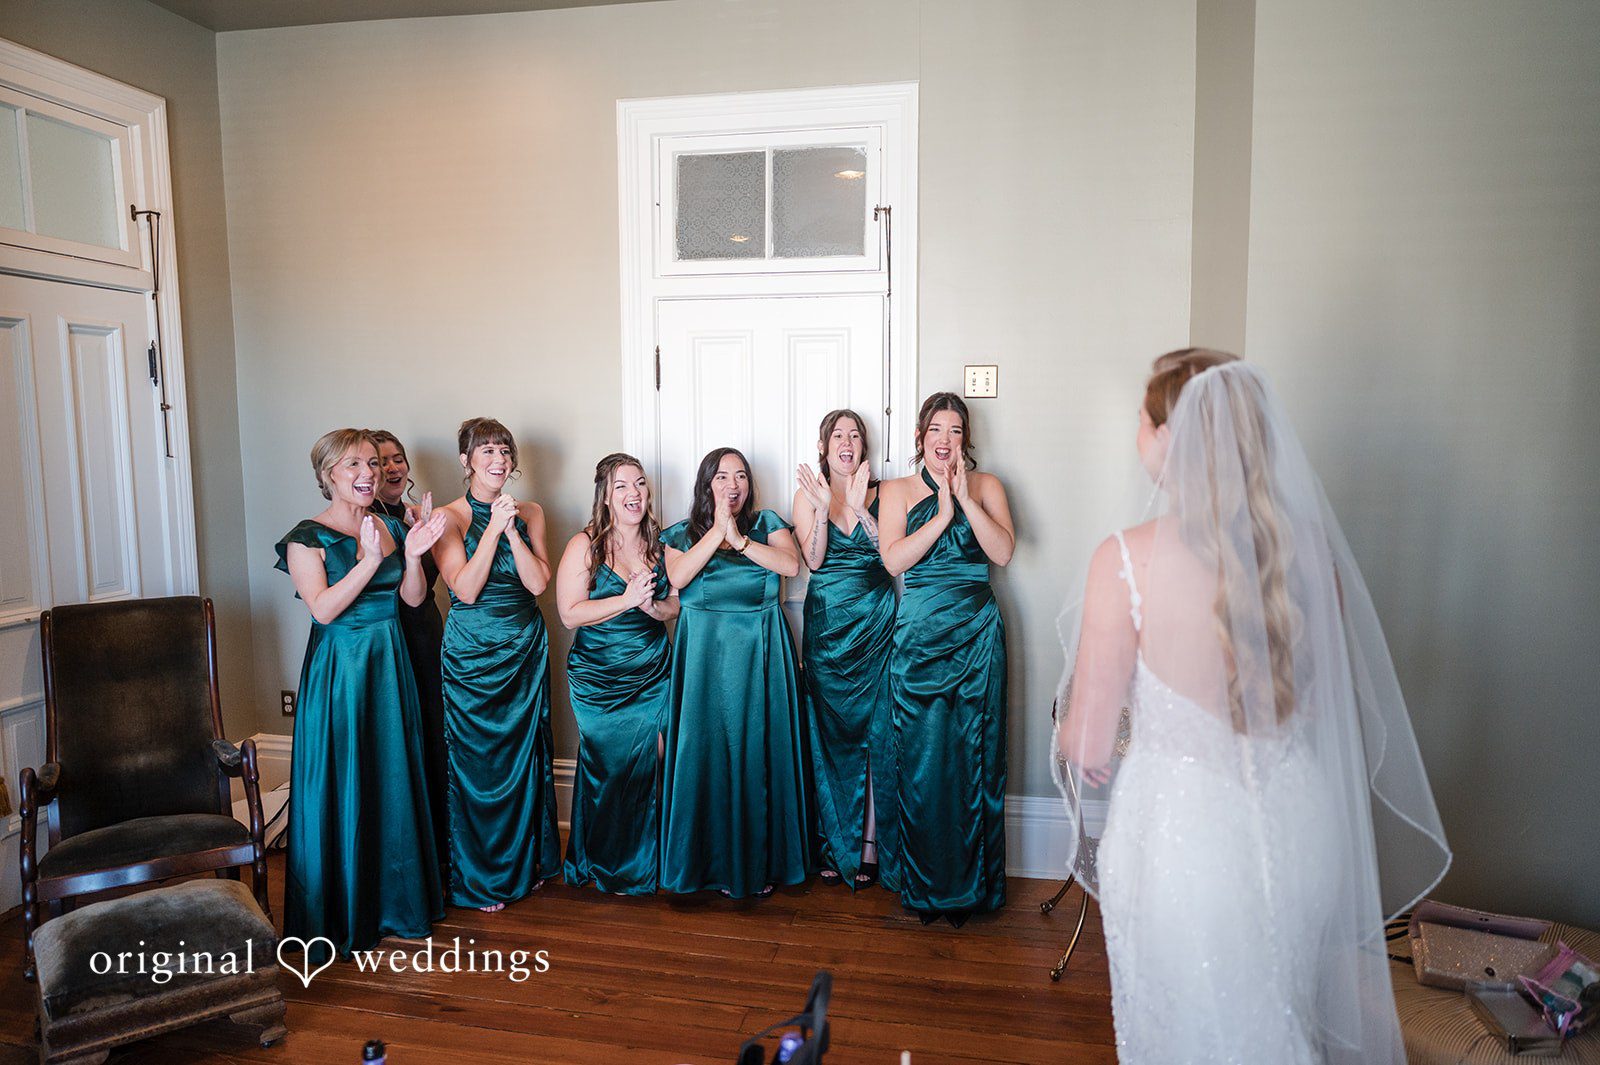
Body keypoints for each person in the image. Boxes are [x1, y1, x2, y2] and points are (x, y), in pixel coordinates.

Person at [1054, 352, 1450, 1064]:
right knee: (1278, 1018)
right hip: (1300, 828)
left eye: (1141, 422)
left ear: (1167, 436)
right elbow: (1323, 711)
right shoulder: (1308, 552)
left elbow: (1086, 747)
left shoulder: (1125, 558)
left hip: (1185, 845)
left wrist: (1073, 726)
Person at [275, 428, 448, 960]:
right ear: (329, 476)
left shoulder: (388, 525)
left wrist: (414, 556)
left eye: (372, 463)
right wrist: (371, 561)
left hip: (389, 659)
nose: (369, 473)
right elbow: (323, 609)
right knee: (347, 780)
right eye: (353, 465)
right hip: (343, 672)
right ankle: (345, 915)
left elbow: (412, 601)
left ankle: (393, 907)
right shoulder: (307, 537)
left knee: (390, 779)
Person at [878, 393, 1014, 926]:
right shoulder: (895, 491)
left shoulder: (989, 485)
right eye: (937, 429)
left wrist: (966, 500)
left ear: (966, 441)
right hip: (918, 638)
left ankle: (975, 890)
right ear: (920, 438)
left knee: (975, 759)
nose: (945, 440)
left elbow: (1002, 553)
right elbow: (893, 560)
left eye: (956, 431)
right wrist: (942, 514)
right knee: (922, 761)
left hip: (978, 635)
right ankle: (926, 887)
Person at [660, 448, 810, 898]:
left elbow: (790, 566)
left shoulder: (768, 523)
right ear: (707, 483)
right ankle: (705, 865)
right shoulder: (680, 534)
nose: (732, 484)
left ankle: (761, 864)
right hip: (704, 657)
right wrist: (717, 533)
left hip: (763, 651)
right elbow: (681, 578)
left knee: (761, 752)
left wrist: (740, 540)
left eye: (740, 476)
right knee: (704, 755)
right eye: (722, 476)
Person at [433, 417, 560, 912]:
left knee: (526, 758)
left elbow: (537, 584)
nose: (499, 459)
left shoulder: (531, 512)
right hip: (473, 654)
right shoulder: (448, 517)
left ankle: (527, 866)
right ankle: (481, 878)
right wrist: (492, 528)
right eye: (486, 451)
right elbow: (463, 588)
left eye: (504, 450)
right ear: (465, 461)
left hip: (524, 647)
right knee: (479, 764)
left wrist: (513, 531)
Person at [555, 453, 679, 895]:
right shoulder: (584, 545)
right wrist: (626, 600)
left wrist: (651, 607)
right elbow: (570, 613)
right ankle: (603, 861)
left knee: (658, 755)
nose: (634, 493)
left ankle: (653, 859)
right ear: (606, 496)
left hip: (653, 669)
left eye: (640, 484)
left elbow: (674, 607)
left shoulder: (661, 543)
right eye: (622, 486)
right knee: (610, 766)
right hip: (598, 679)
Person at [791, 410, 897, 890]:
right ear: (824, 444)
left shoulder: (885, 493)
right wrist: (820, 509)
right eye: (839, 435)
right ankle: (834, 843)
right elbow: (812, 560)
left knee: (877, 732)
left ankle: (870, 845)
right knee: (830, 734)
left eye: (856, 435)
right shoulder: (806, 494)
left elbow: (891, 558)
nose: (848, 443)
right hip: (827, 627)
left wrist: (857, 509)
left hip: (875, 623)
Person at [369, 428, 449, 880]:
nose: (393, 468)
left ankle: (436, 849)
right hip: (389, 634)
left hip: (424, 633)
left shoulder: (418, 515)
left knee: (433, 736)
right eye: (381, 461)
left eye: (398, 459)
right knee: (400, 737)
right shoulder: (371, 522)